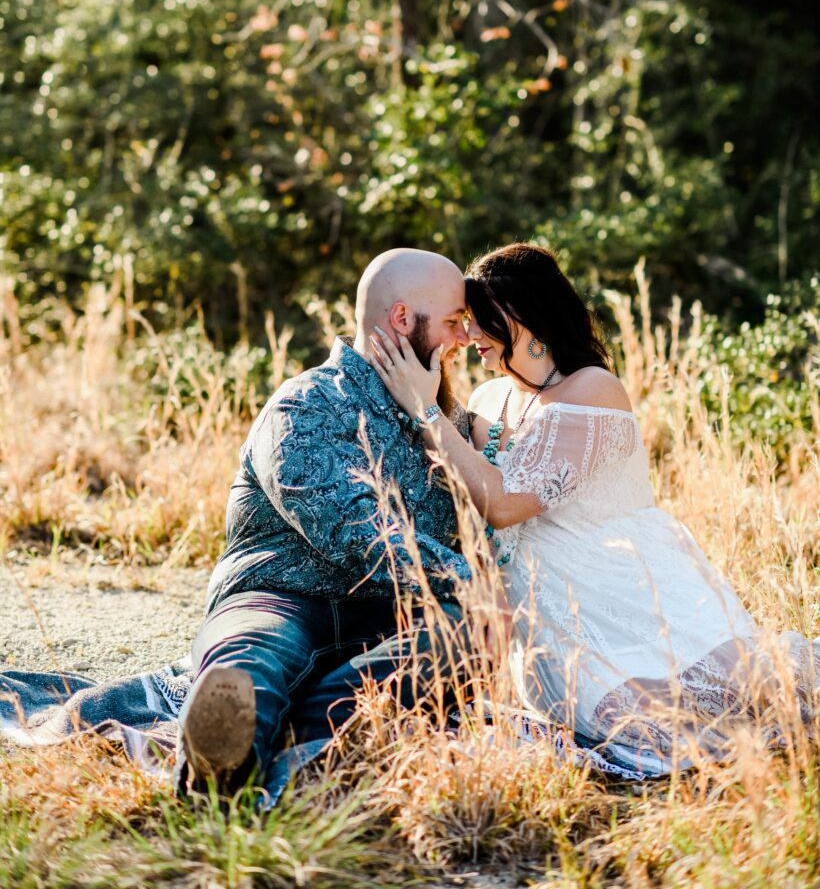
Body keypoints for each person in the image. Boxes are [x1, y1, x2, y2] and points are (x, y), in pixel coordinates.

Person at [370, 242, 818, 774]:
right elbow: (465, 458)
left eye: (483, 321)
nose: (470, 338)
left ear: (523, 317)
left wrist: (423, 409)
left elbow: (505, 504)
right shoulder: (492, 398)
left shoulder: (594, 390)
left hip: (624, 597)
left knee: (732, 708)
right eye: (464, 322)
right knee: (617, 723)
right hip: (549, 626)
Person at [177, 248, 476, 794]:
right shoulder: (306, 405)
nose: (464, 339)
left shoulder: (440, 418)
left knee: (464, 632)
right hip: (280, 597)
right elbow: (357, 535)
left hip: (389, 616)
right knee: (253, 658)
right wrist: (474, 583)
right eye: (455, 322)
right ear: (402, 320)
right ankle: (220, 765)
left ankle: (296, 740)